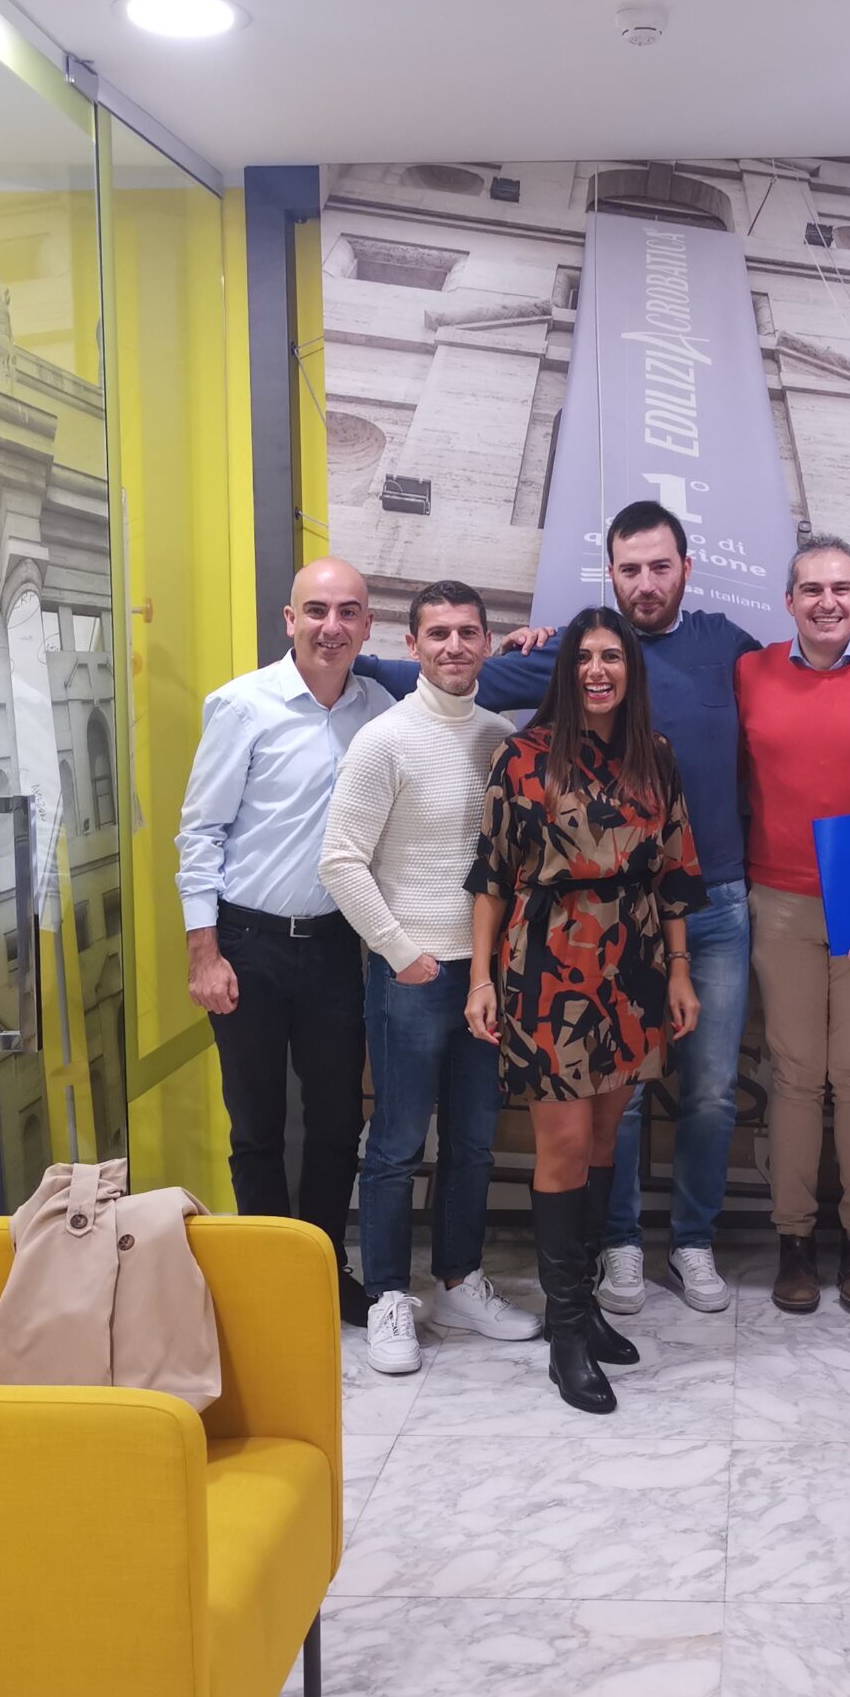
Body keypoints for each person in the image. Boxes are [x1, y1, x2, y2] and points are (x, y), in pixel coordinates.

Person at [366, 498, 850, 1317]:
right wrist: (351, 665)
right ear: (610, 574)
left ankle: (692, 1241)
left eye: (660, 566)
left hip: (716, 905)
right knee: (618, 1096)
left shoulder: (732, 651)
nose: (646, 582)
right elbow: (455, 678)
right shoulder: (580, 652)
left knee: (714, 1090)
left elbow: (817, 670)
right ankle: (617, 1244)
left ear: (686, 568)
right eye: (630, 569)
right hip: (600, 926)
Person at [464, 608, 704, 1414]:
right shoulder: (523, 756)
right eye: (584, 657)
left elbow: (676, 874)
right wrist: (482, 981)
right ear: (565, 670)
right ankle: (565, 1331)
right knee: (564, 1146)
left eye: (613, 657)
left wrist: (679, 972)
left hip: (633, 963)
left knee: (606, 1140)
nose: (598, 670)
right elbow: (491, 877)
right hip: (548, 962)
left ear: (631, 671)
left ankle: (588, 1304)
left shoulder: (655, 758)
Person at [318, 579, 541, 1375]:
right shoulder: (384, 740)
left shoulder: (500, 738)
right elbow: (341, 861)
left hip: (486, 977)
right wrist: (397, 950)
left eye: (467, 632)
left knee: (474, 1142)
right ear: (411, 646)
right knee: (397, 1143)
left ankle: (458, 1282)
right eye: (437, 633)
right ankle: (388, 1294)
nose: (453, 646)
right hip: (410, 975)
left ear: (487, 643)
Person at [176, 556, 389, 1326]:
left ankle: (324, 1271)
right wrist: (205, 953)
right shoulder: (243, 707)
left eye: (348, 612)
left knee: (337, 1124)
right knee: (257, 1126)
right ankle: (268, 1283)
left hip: (334, 948)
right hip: (248, 945)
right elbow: (201, 833)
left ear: (367, 624)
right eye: (317, 611)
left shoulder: (378, 709)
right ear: (290, 619)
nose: (332, 627)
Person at [736, 537, 850, 1314]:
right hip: (779, 895)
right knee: (794, 1074)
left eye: (842, 588)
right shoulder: (750, 673)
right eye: (812, 589)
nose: (827, 602)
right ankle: (793, 1240)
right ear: (788, 601)